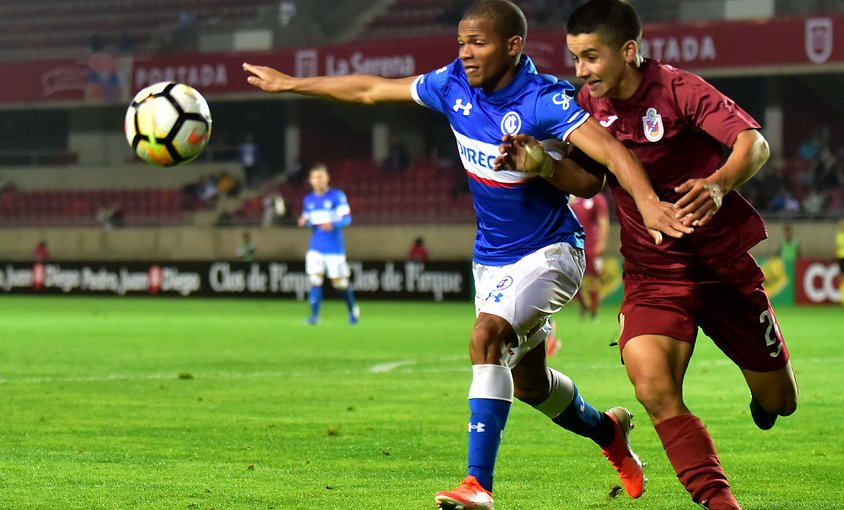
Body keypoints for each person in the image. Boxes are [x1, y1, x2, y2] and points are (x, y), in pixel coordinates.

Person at [244, 2, 693, 507]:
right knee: (530, 385)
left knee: (486, 338)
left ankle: (477, 484)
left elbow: (611, 152)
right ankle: (608, 432)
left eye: (477, 43)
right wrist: (291, 84)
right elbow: (372, 89)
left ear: (512, 45)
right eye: (461, 42)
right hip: (492, 260)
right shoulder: (452, 83)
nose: (466, 53)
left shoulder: (543, 98)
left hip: (550, 251)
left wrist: (650, 205)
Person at [495, 2, 797, 508]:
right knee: (654, 389)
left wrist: (720, 186)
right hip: (654, 274)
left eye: (591, 57)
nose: (582, 71)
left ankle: (765, 397)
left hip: (723, 269)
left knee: (779, 402)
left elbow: (754, 144)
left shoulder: (679, 89)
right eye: (575, 58)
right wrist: (543, 165)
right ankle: (721, 502)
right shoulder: (586, 107)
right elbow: (589, 179)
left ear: (628, 51)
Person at [298, 164, 359, 325]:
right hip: (315, 247)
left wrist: (334, 224)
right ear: (310, 180)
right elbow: (310, 222)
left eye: (320, 177)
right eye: (314, 177)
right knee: (315, 280)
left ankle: (353, 310)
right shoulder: (308, 200)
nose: (317, 180)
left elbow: (347, 219)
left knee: (339, 283)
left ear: (327, 178)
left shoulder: (336, 196)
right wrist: (304, 222)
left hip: (334, 248)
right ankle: (314, 316)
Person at [569, 193, 610, 321]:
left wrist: (602, 243)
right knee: (574, 280)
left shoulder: (597, 199)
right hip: (573, 245)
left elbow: (603, 220)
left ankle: (593, 310)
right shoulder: (570, 197)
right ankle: (583, 305)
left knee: (594, 279)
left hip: (591, 245)